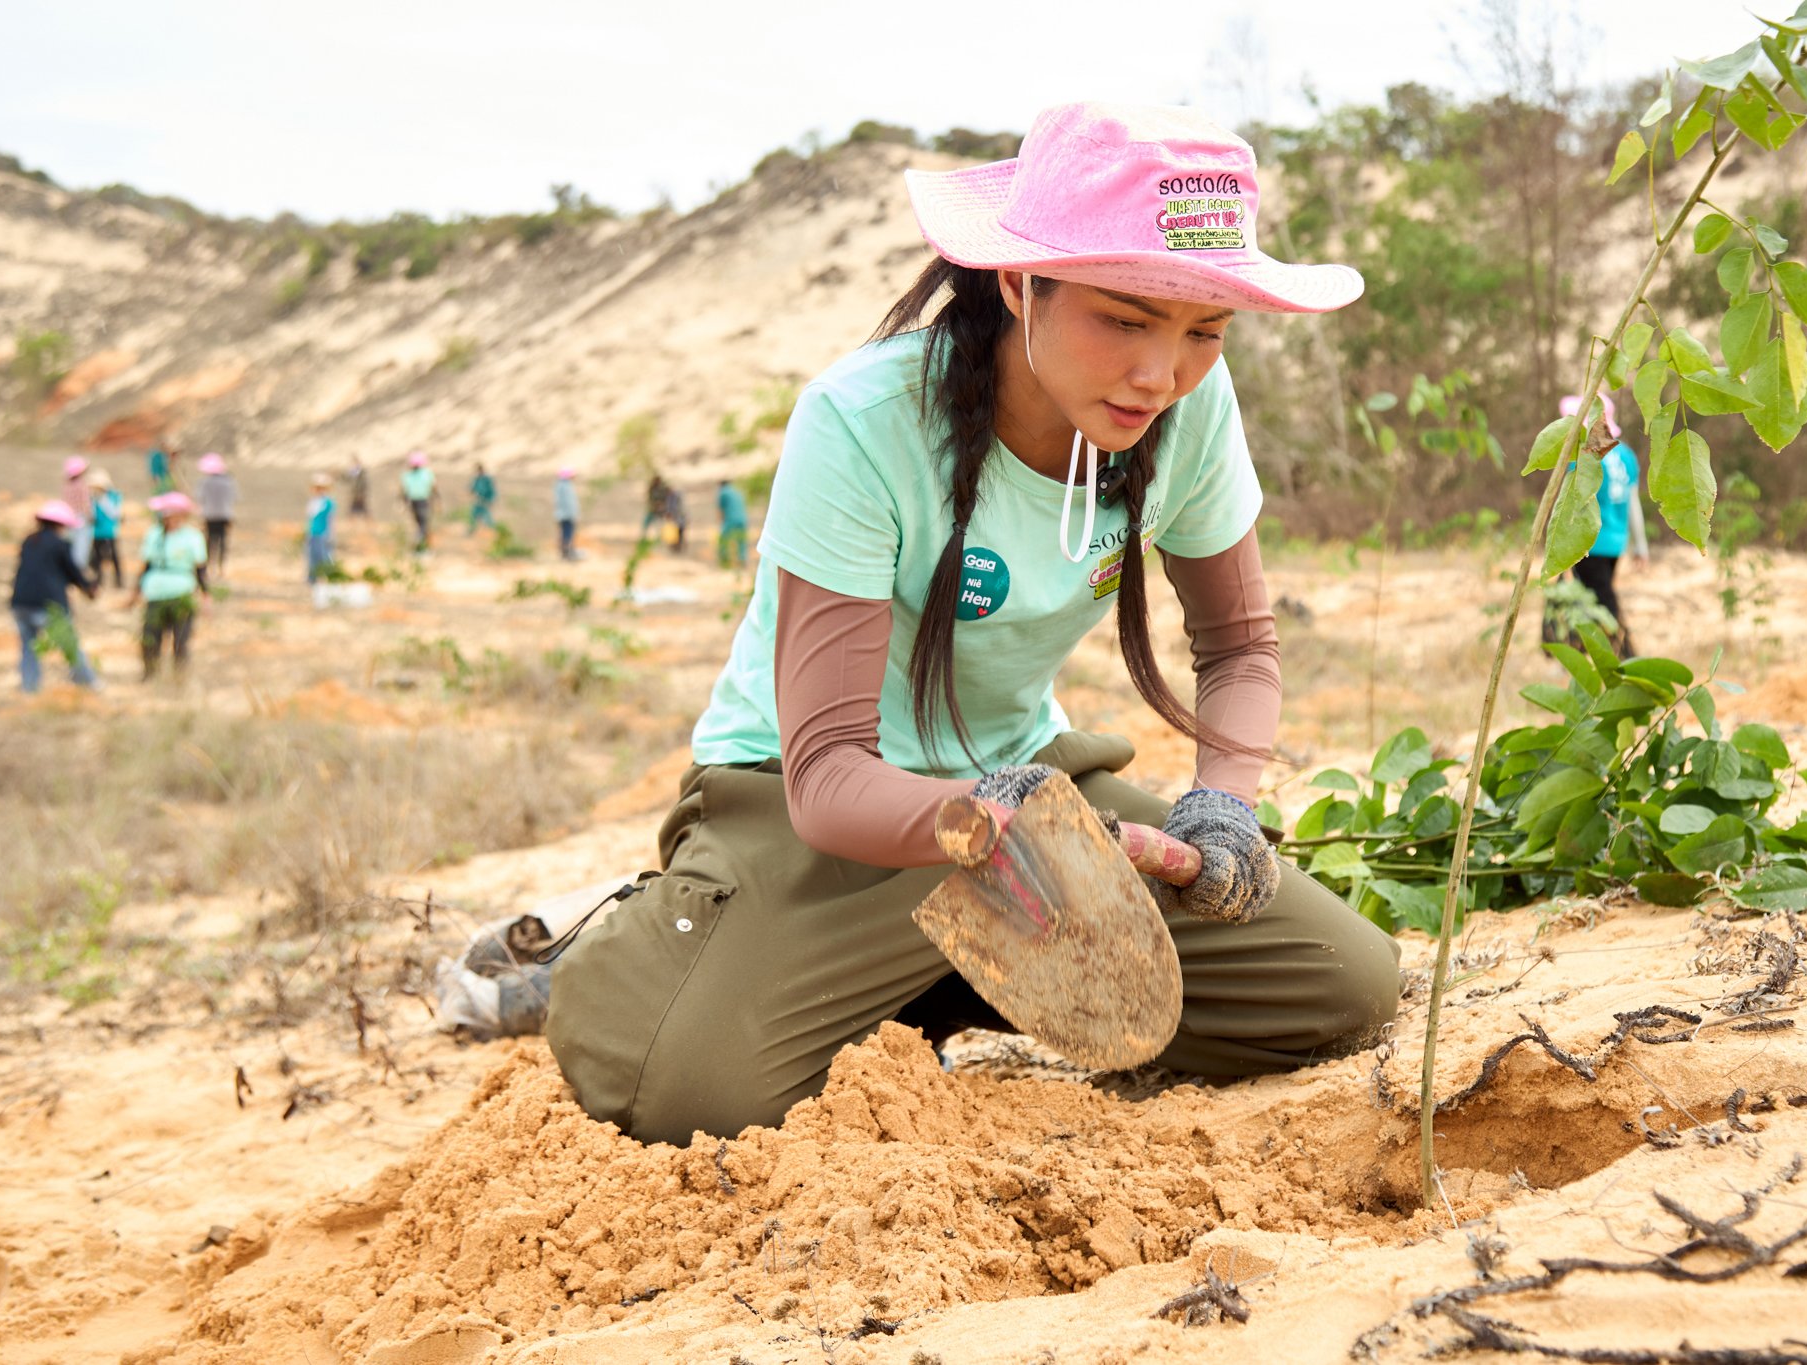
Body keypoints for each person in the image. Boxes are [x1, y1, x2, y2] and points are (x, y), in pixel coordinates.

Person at [544, 101, 1397, 1148]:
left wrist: (1219, 806)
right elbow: (827, 777)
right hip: (823, 817)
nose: (1158, 374)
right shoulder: (860, 423)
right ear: (1016, 283)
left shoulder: (1188, 411)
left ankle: (927, 982)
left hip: (1026, 786)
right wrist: (993, 828)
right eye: (1124, 320)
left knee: (1338, 987)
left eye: (1204, 332)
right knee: (680, 1098)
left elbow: (1238, 648)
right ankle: (627, 943)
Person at [1560, 393, 1649, 653]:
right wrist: (1640, 544)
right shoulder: (1626, 456)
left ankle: (1627, 657)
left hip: (1589, 543)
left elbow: (1571, 501)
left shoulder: (1584, 455)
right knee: (1591, 600)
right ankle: (1585, 653)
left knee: (1600, 603)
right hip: (1616, 542)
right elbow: (1633, 504)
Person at [9, 500, 99, 694]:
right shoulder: (60, 545)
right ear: (61, 525)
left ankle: (29, 688)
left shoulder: (29, 541)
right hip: (48, 605)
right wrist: (89, 587)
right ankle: (89, 685)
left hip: (20, 604)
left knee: (28, 648)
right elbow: (73, 572)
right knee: (69, 644)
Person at [128, 492, 210, 682]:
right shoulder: (154, 535)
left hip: (181, 593)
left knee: (181, 640)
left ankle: (179, 678)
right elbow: (146, 565)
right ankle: (150, 675)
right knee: (150, 638)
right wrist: (135, 592)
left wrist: (206, 596)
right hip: (156, 592)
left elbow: (200, 570)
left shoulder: (193, 537)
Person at [197, 452, 236, 578]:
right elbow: (234, 498)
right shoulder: (229, 482)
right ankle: (221, 568)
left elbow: (200, 497)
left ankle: (208, 567)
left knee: (209, 542)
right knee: (222, 542)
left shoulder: (205, 482)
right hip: (224, 515)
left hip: (209, 515)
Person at [87, 469, 124, 590]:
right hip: (97, 532)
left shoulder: (113, 496)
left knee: (113, 556)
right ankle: (99, 580)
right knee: (97, 557)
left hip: (110, 532)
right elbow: (92, 516)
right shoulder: (93, 498)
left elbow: (115, 514)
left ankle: (119, 580)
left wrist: (102, 500)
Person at [60, 456, 94, 570]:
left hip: (69, 518)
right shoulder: (82, 484)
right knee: (81, 546)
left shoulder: (67, 485)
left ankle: (68, 567)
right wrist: (90, 516)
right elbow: (86, 503)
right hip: (81, 518)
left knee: (71, 544)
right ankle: (78, 569)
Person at [400, 451, 437, 551]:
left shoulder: (407, 475)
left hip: (412, 502)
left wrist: (403, 504)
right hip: (423, 501)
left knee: (419, 523)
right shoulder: (427, 473)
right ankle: (420, 543)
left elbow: (403, 491)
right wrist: (436, 500)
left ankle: (421, 545)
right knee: (423, 524)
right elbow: (433, 488)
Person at [306, 473, 338, 583]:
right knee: (312, 557)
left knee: (325, 557)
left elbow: (331, 520)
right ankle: (312, 580)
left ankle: (331, 578)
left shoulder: (328, 503)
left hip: (323, 533)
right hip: (313, 533)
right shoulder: (313, 502)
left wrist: (331, 535)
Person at [716, 478, 750, 569]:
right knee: (741, 540)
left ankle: (724, 560)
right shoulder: (737, 491)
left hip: (731, 519)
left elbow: (720, 510)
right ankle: (742, 560)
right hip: (742, 519)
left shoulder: (723, 492)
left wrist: (721, 523)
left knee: (723, 538)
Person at [554, 467, 582, 560]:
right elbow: (569, 503)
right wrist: (574, 514)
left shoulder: (561, 485)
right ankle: (567, 552)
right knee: (567, 533)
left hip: (563, 514)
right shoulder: (565, 486)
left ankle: (565, 552)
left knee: (565, 533)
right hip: (566, 515)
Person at [468, 463, 498, 535]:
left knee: (486, 516)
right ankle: (472, 530)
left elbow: (492, 490)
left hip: (486, 500)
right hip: (479, 500)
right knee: (474, 515)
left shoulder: (487, 479)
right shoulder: (477, 479)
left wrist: (491, 500)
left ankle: (491, 531)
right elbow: (473, 488)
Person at [640, 473, 669, 543]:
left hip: (658, 510)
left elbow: (665, 499)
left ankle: (658, 538)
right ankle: (645, 537)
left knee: (658, 525)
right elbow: (650, 499)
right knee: (647, 524)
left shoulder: (662, 489)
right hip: (653, 509)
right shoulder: (652, 489)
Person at [663, 482, 688, 554]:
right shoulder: (673, 497)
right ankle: (678, 547)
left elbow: (673, 508)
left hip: (678, 518)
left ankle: (679, 547)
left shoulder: (674, 497)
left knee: (679, 533)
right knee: (679, 533)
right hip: (678, 518)